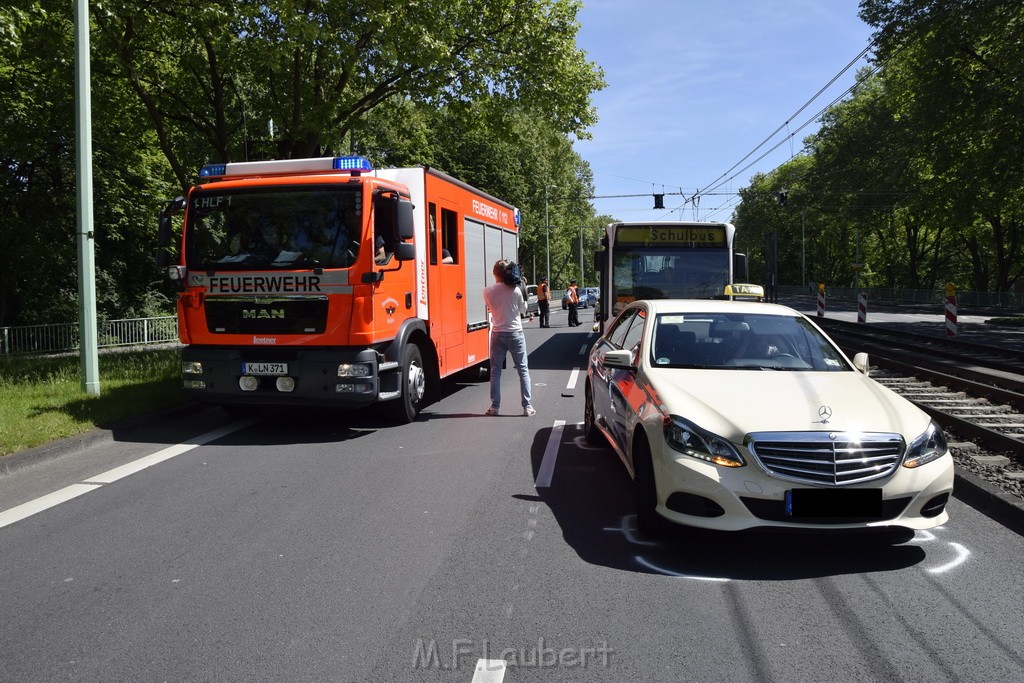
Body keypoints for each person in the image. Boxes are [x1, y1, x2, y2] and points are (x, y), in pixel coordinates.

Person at [482, 259, 535, 417]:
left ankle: (494, 406)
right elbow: (523, 310)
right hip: (515, 333)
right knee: (523, 370)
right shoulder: (516, 290)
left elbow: (490, 308)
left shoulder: (487, 291)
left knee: (495, 371)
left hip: (498, 333)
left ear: (494, 274)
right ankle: (527, 407)